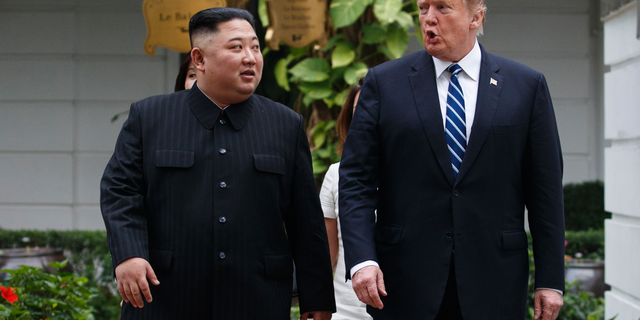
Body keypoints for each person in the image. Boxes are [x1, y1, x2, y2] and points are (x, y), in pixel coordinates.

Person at [100, 7, 335, 319]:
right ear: (199, 59)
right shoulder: (151, 118)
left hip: (256, 300)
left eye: (255, 47)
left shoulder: (285, 125)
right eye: (236, 47)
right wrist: (129, 254)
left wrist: (316, 297)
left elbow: (306, 220)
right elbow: (120, 191)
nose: (250, 57)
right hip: (166, 297)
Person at [338, 0, 565, 319]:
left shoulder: (526, 86)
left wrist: (551, 280)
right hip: (404, 284)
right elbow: (356, 183)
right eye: (422, 8)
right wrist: (363, 260)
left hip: (495, 283)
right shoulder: (384, 83)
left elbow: (546, 192)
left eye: (443, 8)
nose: (428, 19)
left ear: (476, 17)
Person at [320, 79, 371, 320]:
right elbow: (326, 253)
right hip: (344, 312)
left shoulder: (415, 176)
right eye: (358, 112)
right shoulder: (335, 174)